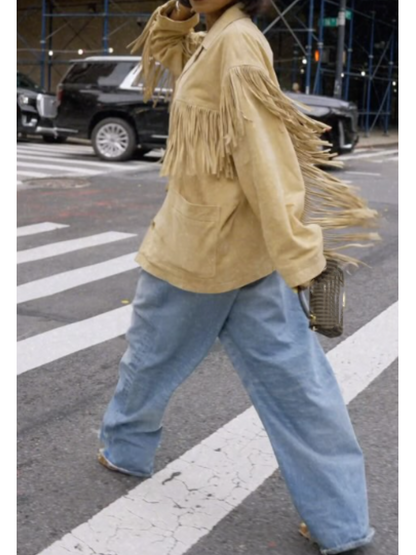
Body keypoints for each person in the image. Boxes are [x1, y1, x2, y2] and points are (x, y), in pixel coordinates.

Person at [98, 1, 378, 553]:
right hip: (245, 252)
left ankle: (125, 448)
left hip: (198, 249)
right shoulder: (217, 37)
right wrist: (179, 15)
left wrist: (303, 258)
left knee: (151, 357)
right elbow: (169, 57)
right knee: (300, 388)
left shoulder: (238, 45)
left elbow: (265, 156)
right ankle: (340, 521)